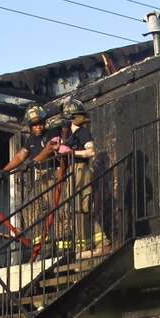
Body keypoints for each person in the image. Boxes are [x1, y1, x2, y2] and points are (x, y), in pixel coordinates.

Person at [1, 105, 56, 233]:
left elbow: (49, 149)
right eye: (34, 125)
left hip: (53, 174)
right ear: (30, 127)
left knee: (55, 208)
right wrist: (5, 170)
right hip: (41, 176)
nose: (38, 127)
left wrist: (32, 162)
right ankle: (38, 239)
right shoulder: (31, 139)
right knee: (28, 206)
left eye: (40, 124)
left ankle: (60, 241)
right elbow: (21, 155)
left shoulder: (52, 133)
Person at [59, 98, 99, 250]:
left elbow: (91, 151)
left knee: (83, 205)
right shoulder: (68, 135)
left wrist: (72, 152)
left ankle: (87, 242)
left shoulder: (83, 132)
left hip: (81, 168)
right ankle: (77, 243)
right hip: (71, 171)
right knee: (72, 207)